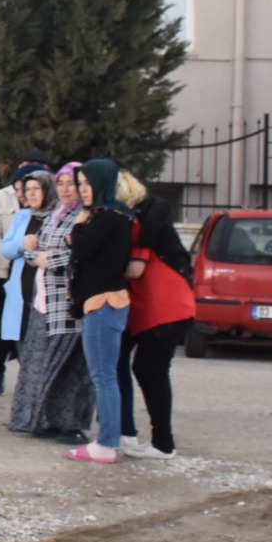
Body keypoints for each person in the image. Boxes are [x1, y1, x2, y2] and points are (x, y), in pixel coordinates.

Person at [7, 164, 93, 441]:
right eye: (62, 183)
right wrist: (36, 255)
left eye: (72, 184)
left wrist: (50, 258)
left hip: (66, 303)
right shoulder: (56, 215)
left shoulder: (84, 216)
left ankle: (69, 425)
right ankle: (40, 420)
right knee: (37, 364)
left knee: (67, 368)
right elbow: (33, 253)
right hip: (42, 300)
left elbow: (82, 255)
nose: (66, 189)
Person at [118, 169, 193, 458]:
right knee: (142, 368)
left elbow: (136, 268)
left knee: (150, 370)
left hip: (163, 306)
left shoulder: (137, 225)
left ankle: (163, 442)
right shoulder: (145, 218)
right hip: (161, 306)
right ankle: (147, 436)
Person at [65, 159, 136, 464]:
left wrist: (79, 225)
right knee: (105, 376)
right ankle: (109, 438)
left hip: (103, 304)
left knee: (103, 377)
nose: (82, 190)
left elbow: (80, 249)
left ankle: (106, 443)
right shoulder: (111, 217)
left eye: (87, 184)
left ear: (103, 184)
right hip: (102, 303)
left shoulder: (107, 218)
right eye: (79, 184)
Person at [0, 170, 48, 394]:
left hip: (44, 293)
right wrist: (22, 243)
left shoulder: (55, 217)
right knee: (23, 347)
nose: (30, 194)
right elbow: (6, 247)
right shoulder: (22, 216)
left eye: (36, 189)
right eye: (26, 189)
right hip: (21, 293)